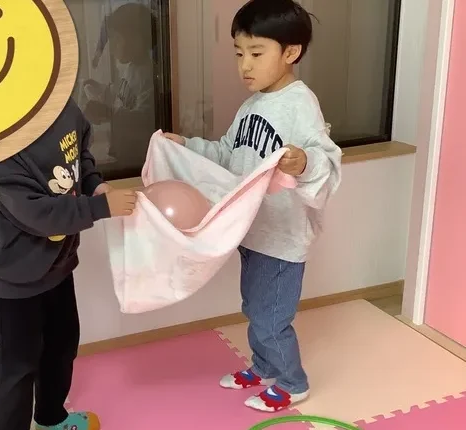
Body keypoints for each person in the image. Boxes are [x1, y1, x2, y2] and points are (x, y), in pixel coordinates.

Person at [164, 0, 342, 413]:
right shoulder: (252, 105)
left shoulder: (300, 103)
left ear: (291, 52)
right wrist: (187, 145)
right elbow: (228, 153)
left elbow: (327, 160)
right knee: (254, 307)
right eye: (238, 53)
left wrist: (303, 161)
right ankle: (264, 366)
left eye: (257, 53)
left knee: (270, 317)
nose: (245, 65)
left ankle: (293, 383)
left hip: (282, 239)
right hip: (253, 231)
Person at [0, 98, 137, 430]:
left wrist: (95, 185)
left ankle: (51, 419)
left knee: (62, 347)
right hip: (16, 276)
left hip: (59, 266)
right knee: (18, 365)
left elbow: (80, 157)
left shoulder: (64, 109)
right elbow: (37, 213)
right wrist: (100, 208)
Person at [82, 2, 157, 174]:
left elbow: (144, 119)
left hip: (137, 157)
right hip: (122, 149)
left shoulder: (148, 75)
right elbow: (119, 93)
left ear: (137, 39)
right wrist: (100, 89)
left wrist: (108, 113)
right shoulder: (130, 68)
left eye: (117, 38)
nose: (112, 46)